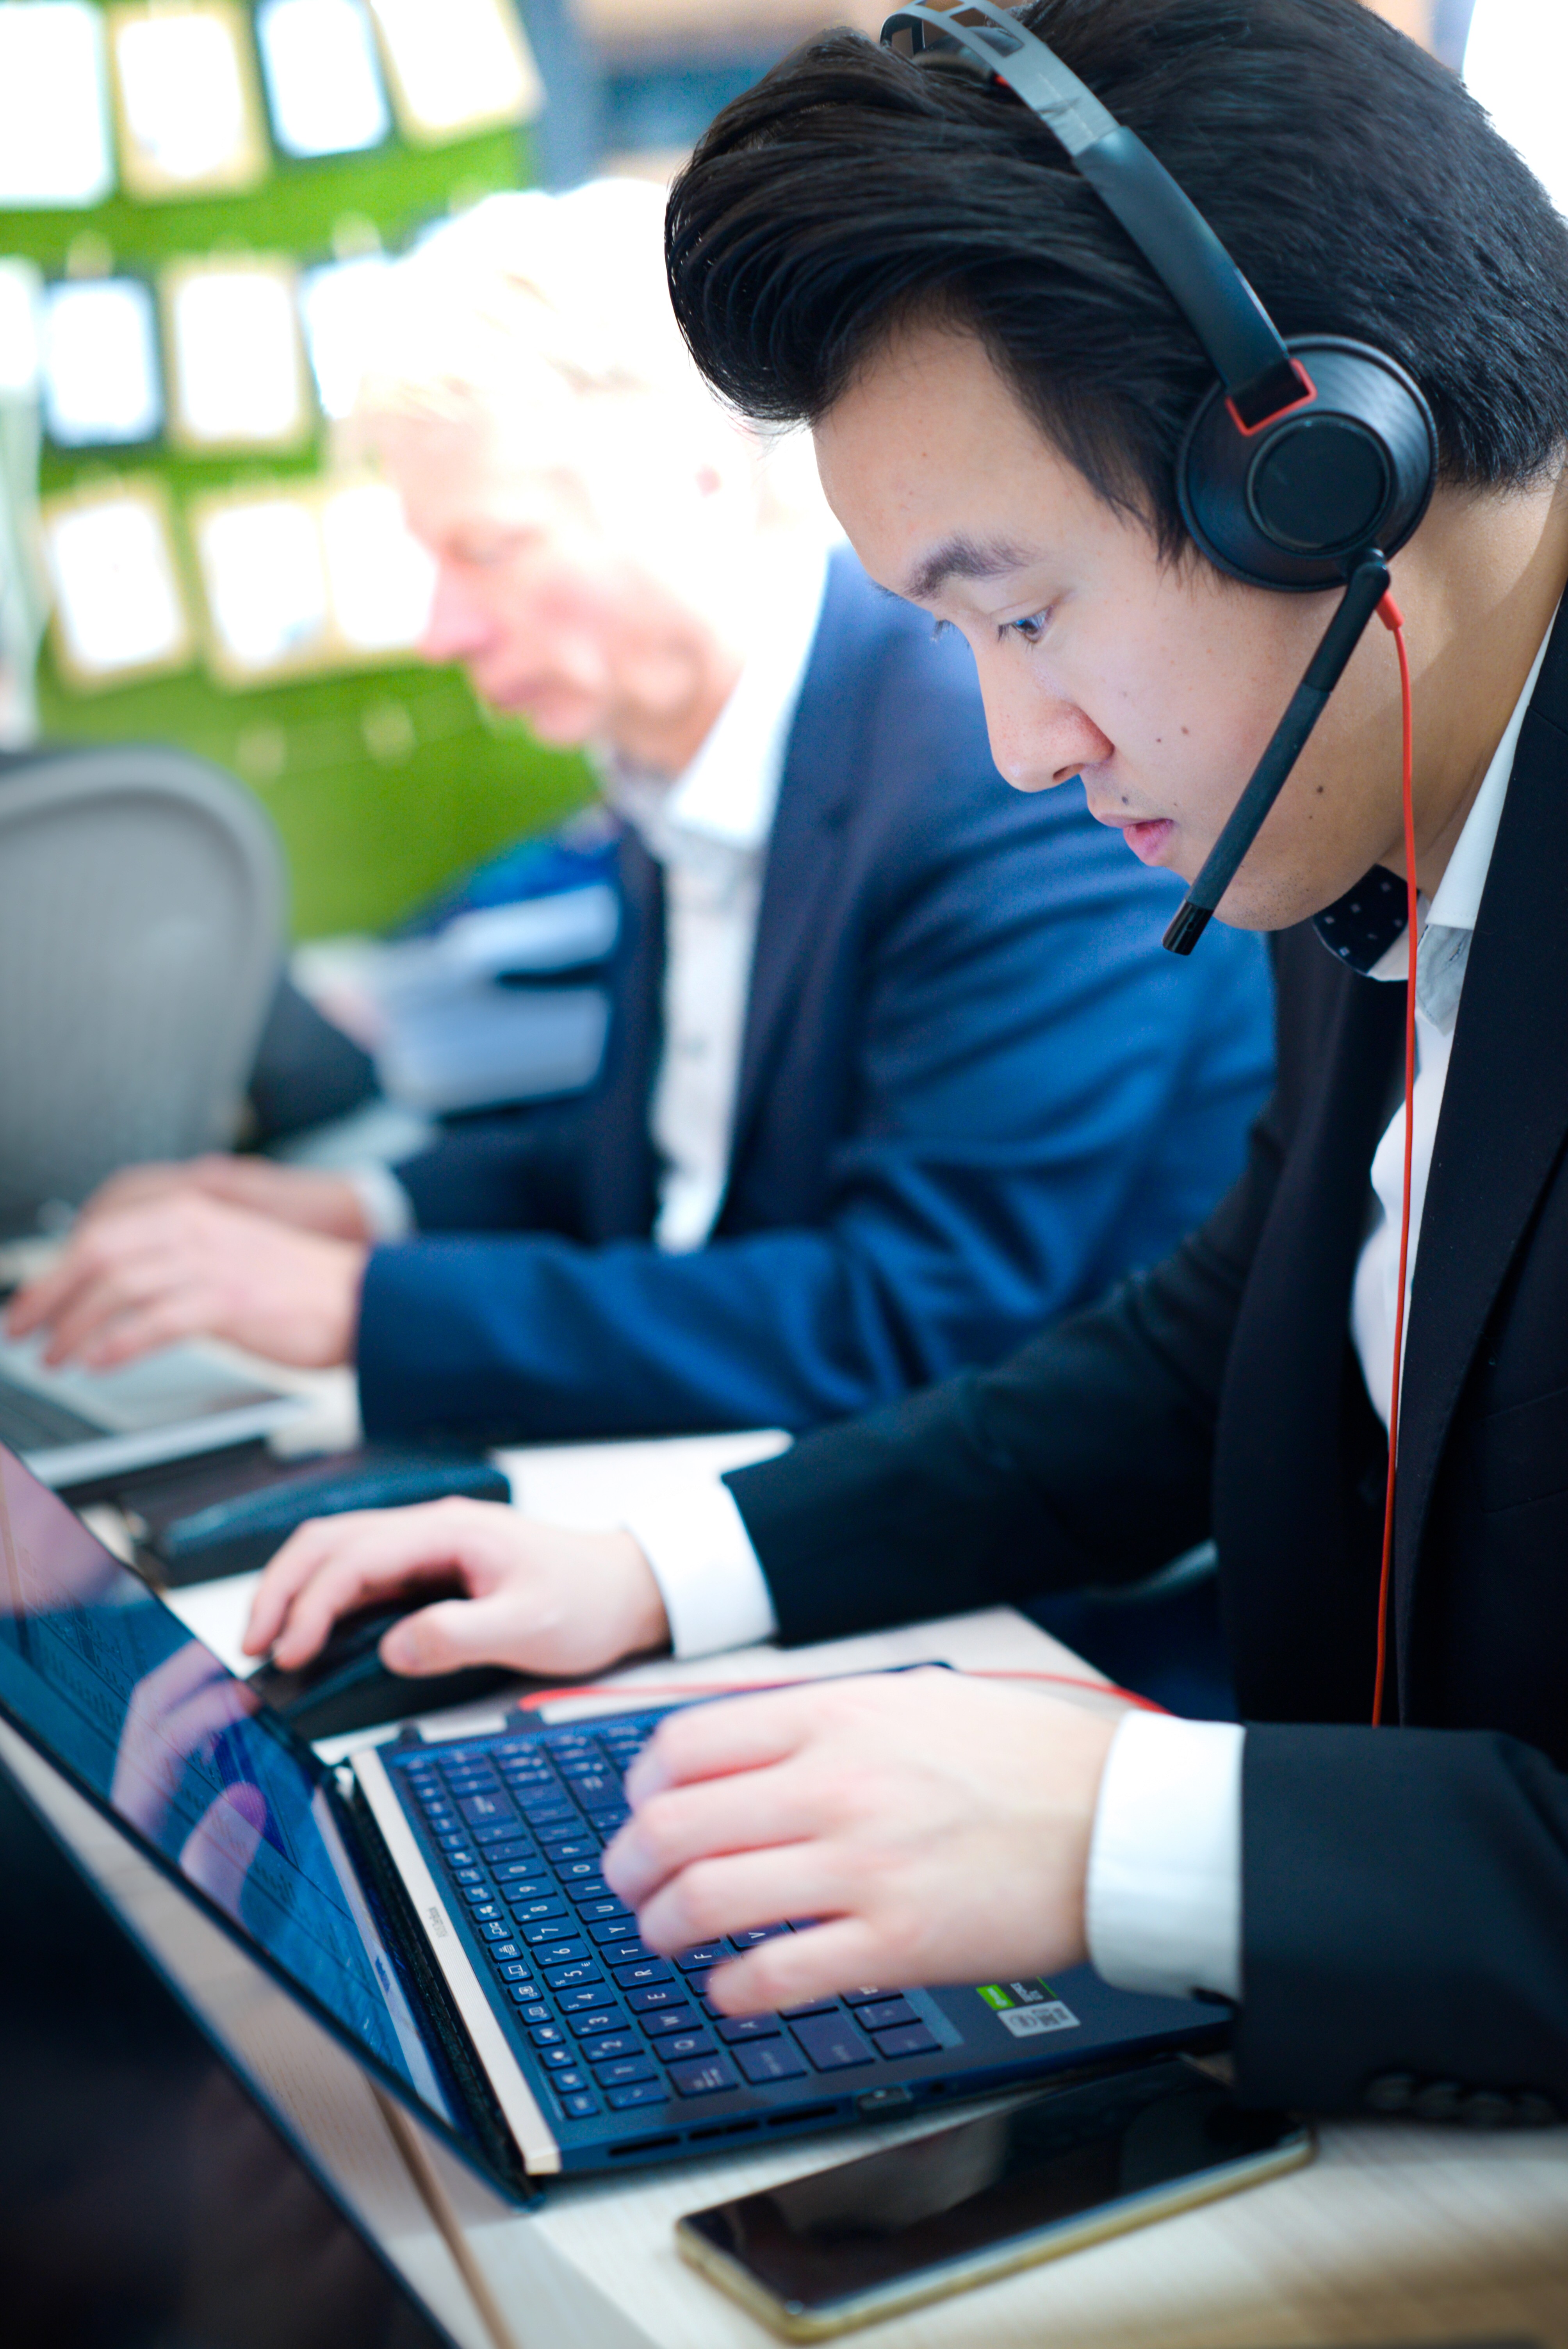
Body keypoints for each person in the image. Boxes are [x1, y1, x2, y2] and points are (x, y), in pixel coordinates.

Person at [244, 0, 1568, 2120]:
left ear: (1328, 474)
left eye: (1022, 614)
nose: (1016, 747)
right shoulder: (1376, 780)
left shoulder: (1328, 751)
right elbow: (1215, 1343)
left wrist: (1133, 1834)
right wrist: (674, 1565)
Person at [7, 179, 1271, 1453]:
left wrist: (351, 1306)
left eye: (489, 551)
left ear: (700, 480)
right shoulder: (689, 754)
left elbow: (909, 1312)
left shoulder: (987, 769)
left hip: (1021, 1554)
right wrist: (353, 1210)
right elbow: (670, 1170)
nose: (440, 628)